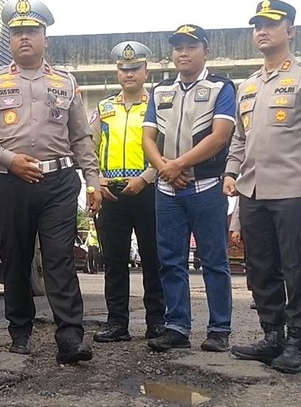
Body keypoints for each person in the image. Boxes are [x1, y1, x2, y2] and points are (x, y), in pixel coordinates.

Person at [0, 0, 102, 364]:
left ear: (46, 38)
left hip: (57, 183)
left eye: (32, 31)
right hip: (8, 183)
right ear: (10, 40)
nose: (24, 37)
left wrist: (93, 179)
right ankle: (20, 332)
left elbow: (80, 137)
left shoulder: (65, 83)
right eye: (18, 32)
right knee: (16, 258)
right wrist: (9, 160)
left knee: (58, 259)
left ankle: (70, 337)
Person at [224, 0, 301, 374]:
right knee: (260, 269)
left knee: (296, 269)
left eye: (272, 24)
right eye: (257, 24)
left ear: (291, 31)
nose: (262, 30)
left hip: (293, 192)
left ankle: (297, 344)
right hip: (253, 192)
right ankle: (271, 336)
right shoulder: (249, 85)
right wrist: (231, 172)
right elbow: (240, 139)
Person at [142, 24, 236, 353]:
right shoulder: (160, 90)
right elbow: (148, 139)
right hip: (167, 190)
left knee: (214, 260)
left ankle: (219, 328)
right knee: (170, 261)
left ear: (205, 51)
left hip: (206, 187)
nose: (183, 52)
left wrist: (175, 165)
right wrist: (165, 168)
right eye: (178, 46)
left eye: (191, 46)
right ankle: (177, 326)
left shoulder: (220, 87)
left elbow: (220, 136)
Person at [89, 41, 165, 343]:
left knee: (152, 259)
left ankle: (156, 322)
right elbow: (88, 147)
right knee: (115, 261)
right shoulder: (104, 108)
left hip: (148, 190)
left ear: (145, 70)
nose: (129, 73)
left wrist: (146, 177)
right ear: (117, 71)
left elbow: (166, 147)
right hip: (112, 193)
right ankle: (117, 323)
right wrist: (95, 180)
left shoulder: (158, 105)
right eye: (123, 69)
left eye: (134, 68)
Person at [229, 199, 256, 310]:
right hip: (251, 224)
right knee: (253, 263)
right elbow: (240, 204)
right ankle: (257, 294)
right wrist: (236, 228)